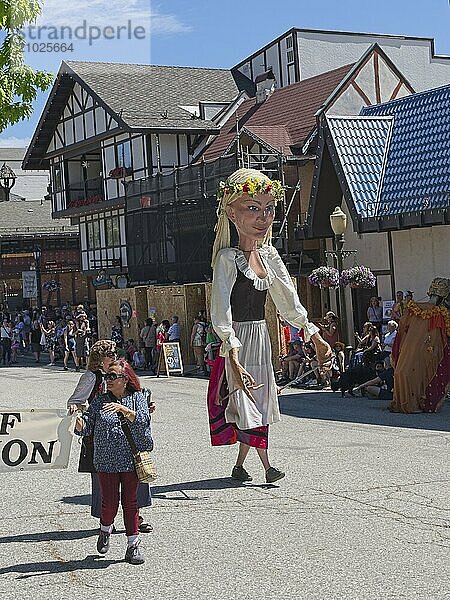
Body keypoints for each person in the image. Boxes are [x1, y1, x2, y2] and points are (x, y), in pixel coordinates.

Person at [208, 168, 331, 484]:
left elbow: (287, 300)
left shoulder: (270, 255)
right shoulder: (226, 258)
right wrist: (232, 353)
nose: (263, 217)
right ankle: (267, 466)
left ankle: (241, 466)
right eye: (252, 207)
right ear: (232, 212)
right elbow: (220, 309)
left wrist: (313, 333)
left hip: (262, 336)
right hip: (237, 340)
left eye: (268, 208)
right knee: (250, 406)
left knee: (259, 405)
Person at [67, 341, 153, 534]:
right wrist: (83, 414)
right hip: (101, 434)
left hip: (127, 438)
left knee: (135, 480)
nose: (115, 355)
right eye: (110, 353)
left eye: (115, 352)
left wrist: (141, 410)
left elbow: (136, 400)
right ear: (100, 357)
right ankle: (107, 520)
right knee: (105, 485)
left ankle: (134, 519)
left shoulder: (123, 372)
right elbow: (75, 401)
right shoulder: (92, 377)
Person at [390, 278, 450, 413]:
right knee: (420, 375)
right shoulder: (438, 313)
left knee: (409, 373)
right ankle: (414, 403)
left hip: (411, 349)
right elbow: (441, 335)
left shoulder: (414, 307)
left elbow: (402, 328)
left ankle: (409, 402)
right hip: (428, 351)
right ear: (442, 298)